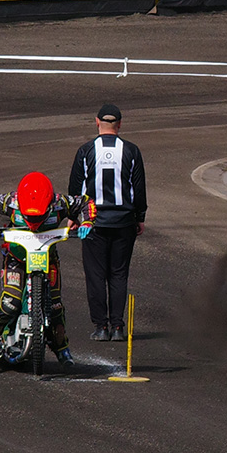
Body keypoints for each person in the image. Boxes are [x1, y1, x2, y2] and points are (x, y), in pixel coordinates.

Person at [0, 171, 95, 369]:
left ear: (49, 205)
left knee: (55, 306)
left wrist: (87, 222)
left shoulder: (60, 203)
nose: (33, 220)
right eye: (29, 215)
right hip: (16, 259)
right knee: (10, 301)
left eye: (38, 215)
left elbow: (86, 203)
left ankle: (62, 347)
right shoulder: (11, 201)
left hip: (48, 259)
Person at [69, 103, 148, 343]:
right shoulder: (131, 151)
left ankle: (101, 326)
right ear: (120, 124)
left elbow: (75, 188)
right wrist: (140, 217)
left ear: (97, 122)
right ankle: (117, 326)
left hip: (93, 223)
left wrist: (73, 217)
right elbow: (139, 189)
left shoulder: (86, 151)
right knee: (118, 274)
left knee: (95, 275)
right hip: (124, 223)